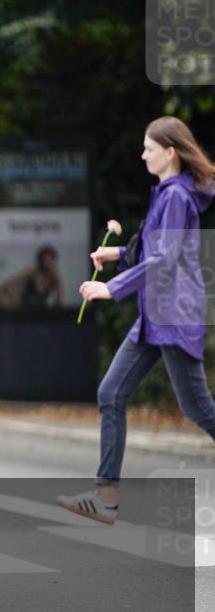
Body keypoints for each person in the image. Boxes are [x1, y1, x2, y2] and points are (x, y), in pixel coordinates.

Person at [57, 116, 215, 524]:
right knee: (111, 393)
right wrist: (116, 256)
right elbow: (152, 247)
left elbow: (165, 259)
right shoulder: (167, 193)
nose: (142, 155)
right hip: (153, 317)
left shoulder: (178, 196)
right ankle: (105, 497)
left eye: (148, 148)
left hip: (173, 316)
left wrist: (111, 288)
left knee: (199, 410)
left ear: (170, 152)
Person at [0, 245, 62, 309]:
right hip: (23, 306)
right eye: (45, 261)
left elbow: (59, 299)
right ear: (40, 261)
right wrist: (14, 300)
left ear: (53, 261)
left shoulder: (55, 276)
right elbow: (5, 285)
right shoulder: (32, 272)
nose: (47, 264)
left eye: (50, 261)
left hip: (41, 309)